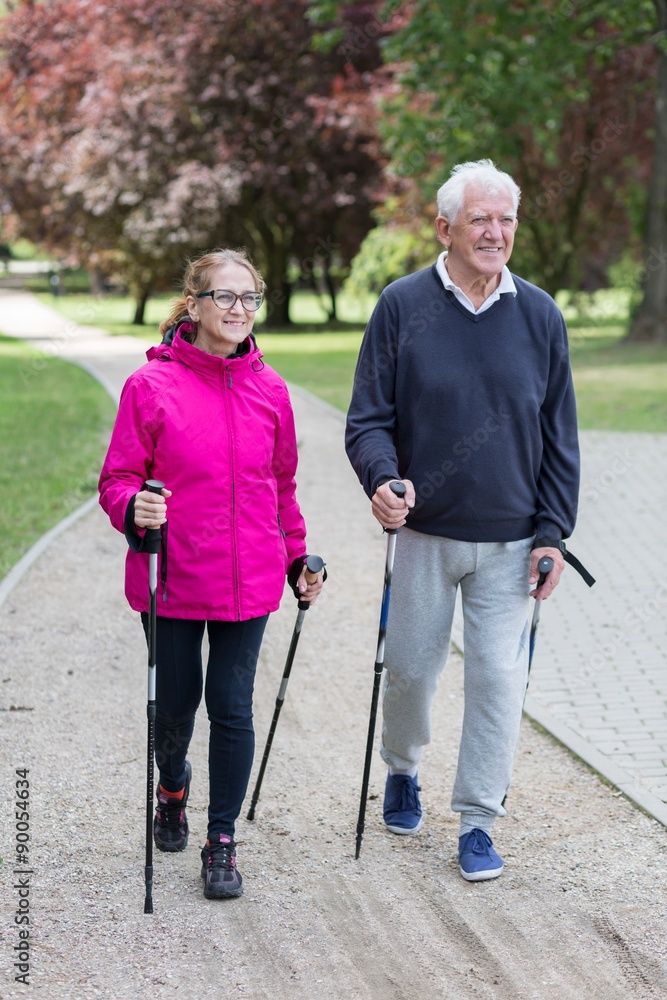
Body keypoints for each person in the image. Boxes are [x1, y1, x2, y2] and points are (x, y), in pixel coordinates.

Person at [345, 159, 586, 882]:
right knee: (412, 671)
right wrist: (382, 480)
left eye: (505, 218)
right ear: (444, 227)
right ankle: (400, 768)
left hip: (512, 542)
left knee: (495, 681)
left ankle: (479, 818)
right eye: (480, 218)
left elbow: (560, 438)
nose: (495, 232)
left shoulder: (539, 314)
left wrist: (552, 533)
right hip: (423, 535)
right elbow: (367, 420)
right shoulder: (401, 305)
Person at [99, 247, 324, 900]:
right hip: (169, 577)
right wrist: (131, 507)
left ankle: (220, 839)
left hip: (248, 581)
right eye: (224, 297)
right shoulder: (150, 387)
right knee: (175, 707)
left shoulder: (271, 390)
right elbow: (117, 480)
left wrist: (297, 558)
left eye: (249, 298)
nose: (238, 310)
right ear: (193, 306)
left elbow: (280, 488)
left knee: (231, 707)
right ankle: (172, 785)